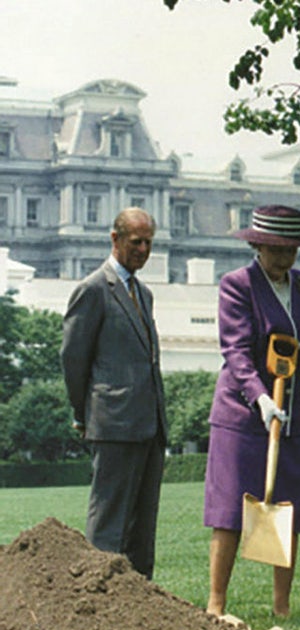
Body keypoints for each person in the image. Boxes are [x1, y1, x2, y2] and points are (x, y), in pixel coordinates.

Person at [204, 205, 300, 617]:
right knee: (230, 510)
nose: (284, 258)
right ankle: (216, 604)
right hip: (243, 415)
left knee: (287, 509)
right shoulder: (237, 285)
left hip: (292, 416)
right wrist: (260, 398)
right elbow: (236, 351)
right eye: (276, 250)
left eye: (292, 250)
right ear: (257, 245)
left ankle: (281, 607)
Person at [61, 207, 168, 579]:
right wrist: (82, 413)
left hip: (150, 424)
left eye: (148, 242)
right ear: (115, 239)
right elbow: (74, 360)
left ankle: (141, 601)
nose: (142, 249)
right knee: (108, 521)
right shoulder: (92, 290)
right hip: (113, 423)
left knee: (143, 523)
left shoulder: (145, 294)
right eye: (135, 241)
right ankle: (99, 599)